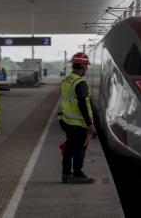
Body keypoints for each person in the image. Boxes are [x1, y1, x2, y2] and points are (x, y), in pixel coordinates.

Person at [59, 52, 96, 184]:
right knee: (79, 148)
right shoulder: (80, 83)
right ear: (83, 67)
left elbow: (64, 101)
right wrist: (89, 124)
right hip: (78, 123)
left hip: (66, 120)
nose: (86, 69)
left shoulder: (66, 81)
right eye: (86, 66)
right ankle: (77, 174)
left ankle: (66, 174)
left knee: (69, 147)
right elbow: (82, 105)